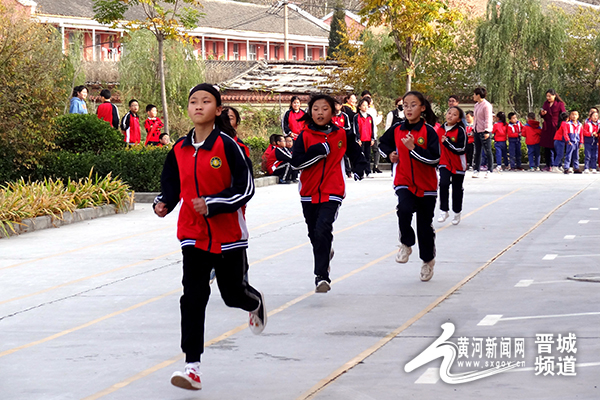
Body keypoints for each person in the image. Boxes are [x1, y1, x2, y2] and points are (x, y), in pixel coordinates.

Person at [153, 83, 266, 391]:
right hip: (193, 234)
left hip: (229, 235)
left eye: (205, 101)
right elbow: (172, 186)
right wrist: (163, 203)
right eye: (193, 102)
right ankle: (192, 367)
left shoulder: (229, 146)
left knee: (232, 295)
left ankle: (254, 302)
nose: (198, 106)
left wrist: (214, 204)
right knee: (193, 296)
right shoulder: (179, 148)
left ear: (218, 110)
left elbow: (246, 189)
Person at [290, 94, 369, 293]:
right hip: (308, 192)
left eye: (324, 109)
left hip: (333, 190)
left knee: (323, 227)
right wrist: (317, 151)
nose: (319, 112)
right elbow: (296, 162)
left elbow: (356, 153)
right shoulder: (305, 135)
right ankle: (325, 249)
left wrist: (360, 167)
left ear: (333, 112)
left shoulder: (342, 134)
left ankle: (321, 276)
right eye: (315, 109)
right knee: (314, 233)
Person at [379, 91, 440, 282]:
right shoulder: (397, 129)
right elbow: (382, 144)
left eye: (413, 105)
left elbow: (434, 159)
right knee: (404, 209)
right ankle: (406, 243)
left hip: (427, 186)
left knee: (424, 226)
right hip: (404, 181)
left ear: (422, 108)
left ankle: (428, 260)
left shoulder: (429, 131)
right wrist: (389, 154)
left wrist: (413, 149)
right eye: (405, 105)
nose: (408, 109)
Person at [436, 106, 467, 226]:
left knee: (457, 189)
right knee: (443, 184)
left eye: (454, 115)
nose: (450, 116)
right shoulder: (439, 130)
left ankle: (457, 211)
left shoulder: (460, 131)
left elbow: (461, 149)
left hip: (458, 164)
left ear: (459, 119)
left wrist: (448, 142)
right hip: (444, 163)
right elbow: (436, 147)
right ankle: (444, 210)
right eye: (449, 113)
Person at [540, 89, 566, 171]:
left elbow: (563, 114)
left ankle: (558, 164)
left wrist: (561, 124)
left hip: (556, 127)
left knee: (557, 146)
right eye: (547, 96)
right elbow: (541, 114)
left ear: (554, 95)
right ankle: (548, 165)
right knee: (547, 147)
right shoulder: (545, 104)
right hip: (547, 127)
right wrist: (542, 114)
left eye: (550, 96)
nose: (548, 98)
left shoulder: (560, 104)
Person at [472, 87, 494, 178]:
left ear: (478, 95)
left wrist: (487, 131)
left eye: (474, 94)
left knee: (487, 151)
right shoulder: (476, 105)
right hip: (477, 130)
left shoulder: (486, 105)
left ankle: (490, 170)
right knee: (477, 151)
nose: (473, 96)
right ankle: (476, 169)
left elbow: (488, 118)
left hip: (484, 131)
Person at [361, 91, 384, 173]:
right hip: (366, 134)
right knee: (368, 151)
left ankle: (373, 167)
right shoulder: (369, 111)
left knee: (373, 150)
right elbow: (374, 122)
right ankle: (370, 167)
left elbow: (374, 123)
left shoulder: (371, 110)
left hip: (372, 133)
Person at [353, 98, 376, 176]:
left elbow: (372, 128)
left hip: (368, 139)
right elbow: (355, 128)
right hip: (361, 139)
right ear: (359, 107)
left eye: (367, 105)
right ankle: (360, 172)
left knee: (368, 156)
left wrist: (373, 138)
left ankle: (368, 171)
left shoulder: (370, 117)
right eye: (363, 105)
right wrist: (357, 139)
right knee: (361, 156)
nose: (365, 107)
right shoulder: (357, 117)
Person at [332, 98, 353, 178]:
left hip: (341, 138)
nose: (336, 107)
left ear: (340, 106)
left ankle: (348, 171)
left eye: (337, 105)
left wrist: (340, 129)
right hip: (332, 138)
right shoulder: (330, 115)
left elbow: (348, 127)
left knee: (343, 155)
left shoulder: (345, 116)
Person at [562, 110, 582, 174]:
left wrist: (581, 142)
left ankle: (576, 168)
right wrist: (568, 140)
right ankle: (566, 167)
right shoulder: (568, 124)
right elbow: (565, 133)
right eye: (572, 114)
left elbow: (581, 134)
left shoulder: (580, 125)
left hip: (577, 142)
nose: (574, 116)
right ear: (570, 116)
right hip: (571, 142)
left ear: (578, 116)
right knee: (568, 155)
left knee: (576, 156)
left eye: (575, 115)